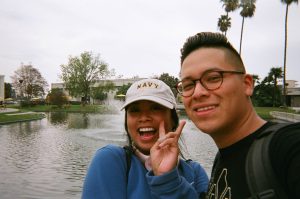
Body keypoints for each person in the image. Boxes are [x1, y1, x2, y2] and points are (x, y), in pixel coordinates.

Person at [176, 31, 300, 198]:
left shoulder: (287, 148)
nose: (198, 93)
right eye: (188, 85)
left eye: (213, 78)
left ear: (247, 84)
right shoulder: (222, 159)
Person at [82, 78, 209, 198]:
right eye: (135, 110)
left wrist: (168, 181)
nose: (144, 117)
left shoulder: (195, 172)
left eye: (155, 108)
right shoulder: (110, 160)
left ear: (173, 119)